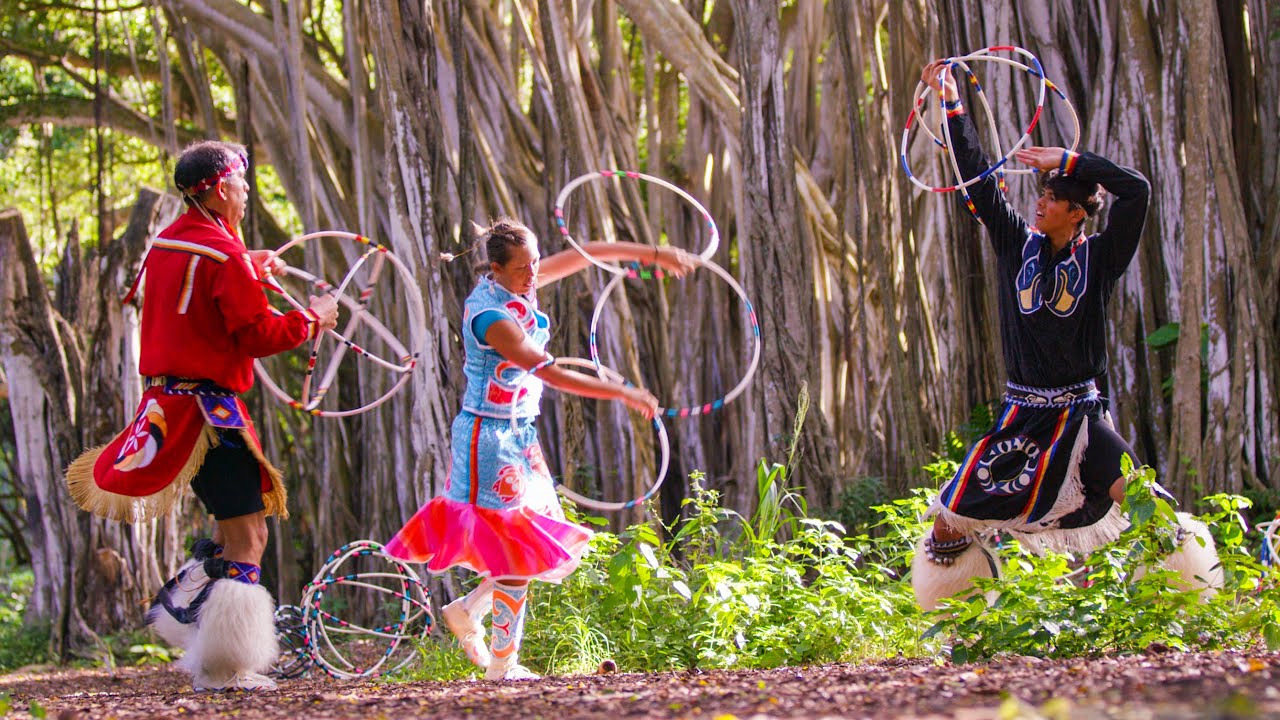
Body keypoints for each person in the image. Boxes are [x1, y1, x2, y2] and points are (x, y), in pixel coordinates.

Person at [910, 60, 1221, 610]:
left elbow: (1139, 191)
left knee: (1149, 505)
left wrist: (1071, 160)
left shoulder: (1100, 259)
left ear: (1077, 213)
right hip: (1021, 418)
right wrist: (952, 103)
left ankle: (1189, 607)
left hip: (1080, 418)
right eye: (1042, 194)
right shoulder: (1014, 244)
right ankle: (958, 618)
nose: (1040, 202)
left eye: (1052, 197)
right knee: (952, 518)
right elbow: (979, 179)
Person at [66, 140, 339, 690]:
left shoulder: (168, 244)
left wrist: (252, 265)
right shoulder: (225, 255)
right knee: (248, 537)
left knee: (235, 526)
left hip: (168, 408)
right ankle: (224, 668)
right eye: (240, 183)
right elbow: (258, 333)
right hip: (209, 414)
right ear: (217, 188)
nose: (245, 191)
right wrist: (314, 318)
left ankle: (193, 623)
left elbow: (201, 306)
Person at [385, 217, 696, 680]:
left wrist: (656, 253)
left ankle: (467, 611)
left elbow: (589, 250)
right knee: (514, 553)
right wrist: (622, 392)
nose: (535, 274)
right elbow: (547, 371)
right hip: (488, 438)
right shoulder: (491, 317)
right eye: (524, 268)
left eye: (536, 264)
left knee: (532, 541)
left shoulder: (521, 283)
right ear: (495, 268)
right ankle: (503, 665)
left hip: (520, 434)